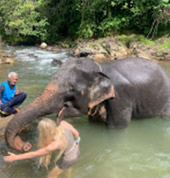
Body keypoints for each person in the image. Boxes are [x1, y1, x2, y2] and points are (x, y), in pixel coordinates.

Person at [4, 118, 80, 178]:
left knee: (51, 176)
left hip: (69, 159)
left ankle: (67, 170)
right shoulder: (63, 124)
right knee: (67, 165)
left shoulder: (54, 145)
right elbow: (77, 134)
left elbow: (34, 154)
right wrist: (76, 143)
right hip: (76, 150)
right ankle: (69, 175)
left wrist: (15, 157)